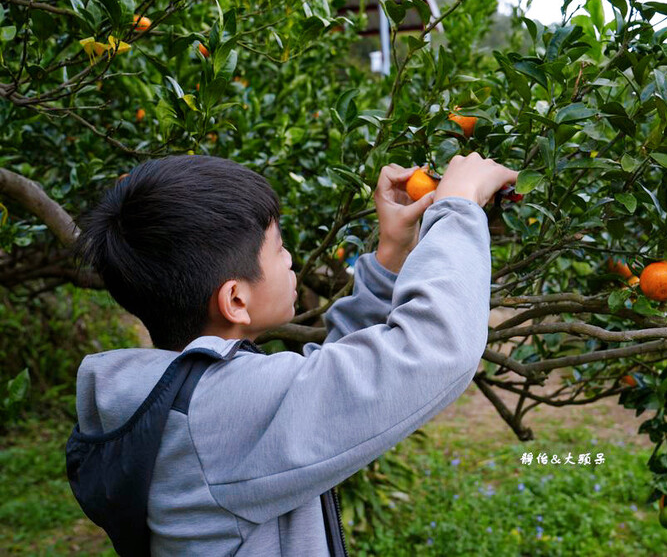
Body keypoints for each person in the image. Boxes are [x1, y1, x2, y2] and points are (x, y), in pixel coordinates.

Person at [69, 151, 518, 555]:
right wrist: (457, 205)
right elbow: (435, 349)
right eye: (279, 249)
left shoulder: (182, 399)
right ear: (235, 301)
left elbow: (323, 388)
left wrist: (391, 256)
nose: (288, 260)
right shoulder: (218, 417)